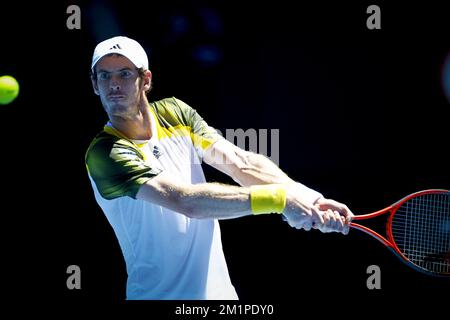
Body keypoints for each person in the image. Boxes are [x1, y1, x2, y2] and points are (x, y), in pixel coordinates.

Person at [85, 36, 354, 300]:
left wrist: (308, 198)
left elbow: (241, 163)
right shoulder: (104, 154)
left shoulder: (175, 113)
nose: (114, 85)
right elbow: (184, 201)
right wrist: (281, 200)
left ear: (146, 80)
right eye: (105, 76)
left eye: (124, 73)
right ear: (95, 85)